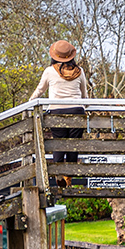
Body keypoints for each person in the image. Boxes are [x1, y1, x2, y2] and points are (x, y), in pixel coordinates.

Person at [30, 40, 91, 174]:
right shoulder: (79, 72)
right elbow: (84, 95)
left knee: (58, 144)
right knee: (73, 146)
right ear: (71, 55)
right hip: (76, 111)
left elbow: (39, 91)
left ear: (54, 55)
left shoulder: (49, 71)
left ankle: (58, 177)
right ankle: (68, 179)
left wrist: (29, 103)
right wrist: (85, 106)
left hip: (56, 111)